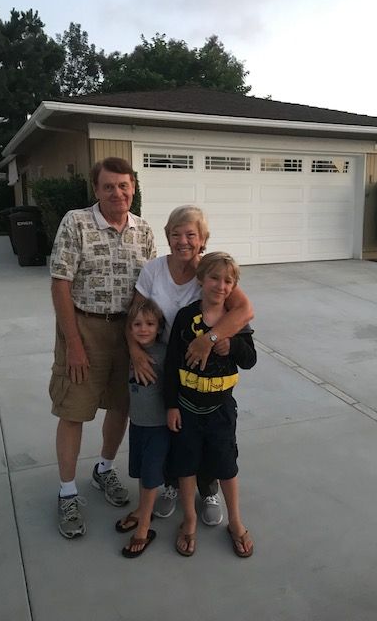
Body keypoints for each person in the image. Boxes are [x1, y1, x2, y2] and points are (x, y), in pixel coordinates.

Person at [49, 157, 156, 539]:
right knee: (73, 410)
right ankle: (67, 492)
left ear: (133, 188)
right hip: (85, 328)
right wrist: (74, 344)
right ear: (96, 189)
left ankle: (104, 469)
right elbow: (60, 283)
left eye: (124, 185)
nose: (117, 193)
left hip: (128, 332)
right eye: (108, 186)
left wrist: (142, 343)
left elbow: (150, 287)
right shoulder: (76, 223)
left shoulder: (144, 230)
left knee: (121, 405)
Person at [129, 205, 253, 525]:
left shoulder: (210, 271)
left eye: (191, 235)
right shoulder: (154, 270)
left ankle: (208, 486)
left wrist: (209, 340)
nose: (183, 241)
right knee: (170, 428)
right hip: (163, 362)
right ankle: (172, 483)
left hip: (204, 369)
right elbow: (134, 314)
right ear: (167, 236)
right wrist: (135, 352)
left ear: (202, 240)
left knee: (209, 435)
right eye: (176, 234)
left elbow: (244, 311)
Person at [165, 252, 256, 558]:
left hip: (221, 411)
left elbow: (250, 360)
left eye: (228, 281)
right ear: (201, 279)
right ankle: (189, 519)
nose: (221, 286)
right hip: (187, 408)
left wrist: (234, 345)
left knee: (226, 466)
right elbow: (171, 365)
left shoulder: (235, 323)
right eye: (214, 278)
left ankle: (235, 520)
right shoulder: (185, 317)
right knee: (186, 464)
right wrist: (171, 405)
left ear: (234, 286)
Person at [115, 299, 169, 558]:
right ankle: (141, 511)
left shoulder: (164, 354)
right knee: (140, 472)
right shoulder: (131, 352)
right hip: (137, 424)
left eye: (150, 324)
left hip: (158, 427)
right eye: (137, 324)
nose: (143, 329)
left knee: (150, 477)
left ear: (159, 328)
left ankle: (144, 528)